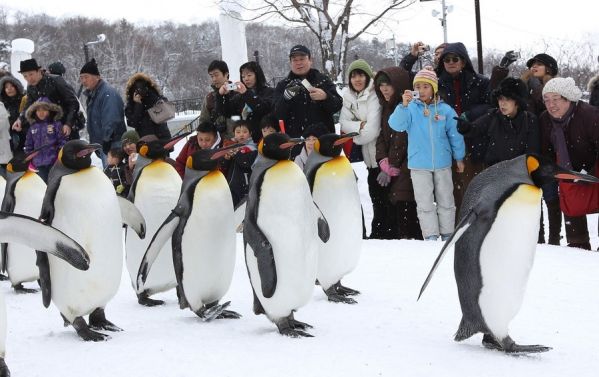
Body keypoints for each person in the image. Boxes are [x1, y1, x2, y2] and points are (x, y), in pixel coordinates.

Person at [389, 67, 465, 241]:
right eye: (418, 87)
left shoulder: (445, 110)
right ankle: (430, 235)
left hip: (443, 163)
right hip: (418, 165)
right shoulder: (409, 109)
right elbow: (396, 125)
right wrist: (403, 105)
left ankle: (447, 234)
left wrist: (459, 157)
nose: (421, 91)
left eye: (425, 86)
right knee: (424, 203)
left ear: (434, 88)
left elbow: (455, 135)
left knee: (446, 200)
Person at [540, 77, 599, 250]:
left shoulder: (590, 115)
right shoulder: (545, 120)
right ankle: (577, 243)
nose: (551, 105)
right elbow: (546, 152)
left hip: (594, 163)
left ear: (568, 98)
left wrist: (590, 172)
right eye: (547, 100)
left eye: (556, 99)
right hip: (568, 168)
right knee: (570, 202)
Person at [437, 42, 491, 217]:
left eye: (455, 58)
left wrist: (469, 114)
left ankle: (476, 227)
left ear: (463, 61)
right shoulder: (436, 84)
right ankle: (456, 231)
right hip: (447, 144)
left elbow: (492, 106)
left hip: (474, 141)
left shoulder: (481, 82)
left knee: (475, 188)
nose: (451, 62)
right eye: (447, 59)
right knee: (451, 192)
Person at [373, 67, 421, 240]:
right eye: (381, 85)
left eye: (388, 85)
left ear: (398, 86)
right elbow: (382, 137)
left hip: (408, 166)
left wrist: (393, 166)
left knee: (404, 203)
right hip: (392, 165)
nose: (384, 88)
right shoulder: (385, 107)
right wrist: (383, 160)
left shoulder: (406, 108)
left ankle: (409, 243)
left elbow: (403, 142)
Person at [274, 44, 342, 157]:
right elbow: (277, 114)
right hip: (295, 144)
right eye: (294, 60)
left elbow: (337, 105)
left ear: (310, 60)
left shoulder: (323, 80)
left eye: (302, 59)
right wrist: (285, 98)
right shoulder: (283, 85)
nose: (298, 63)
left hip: (323, 142)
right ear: (290, 63)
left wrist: (325, 97)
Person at [456, 77, 540, 167]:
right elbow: (475, 128)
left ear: (518, 102)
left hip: (519, 171)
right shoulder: (493, 115)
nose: (502, 103)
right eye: (500, 98)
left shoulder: (530, 120)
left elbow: (532, 153)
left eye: (507, 99)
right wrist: (464, 127)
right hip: (494, 170)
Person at [12, 59, 80, 141]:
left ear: (38, 71)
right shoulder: (31, 87)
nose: (29, 78)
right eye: (25, 76)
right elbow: (29, 106)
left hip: (66, 129)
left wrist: (68, 124)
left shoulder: (56, 80)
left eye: (31, 74)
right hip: (49, 131)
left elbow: (73, 103)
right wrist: (20, 119)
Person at [79, 58, 126, 167]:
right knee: (111, 174)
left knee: (115, 176)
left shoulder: (107, 93)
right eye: (81, 78)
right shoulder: (93, 95)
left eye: (86, 77)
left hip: (112, 143)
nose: (83, 81)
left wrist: (106, 140)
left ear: (97, 77)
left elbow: (111, 119)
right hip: (103, 143)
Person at [216, 61, 274, 143]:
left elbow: (262, 108)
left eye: (249, 75)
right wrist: (221, 95)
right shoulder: (239, 96)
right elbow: (226, 112)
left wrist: (246, 93)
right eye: (243, 76)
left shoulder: (269, 92)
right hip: (245, 141)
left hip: (264, 140)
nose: (246, 79)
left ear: (257, 75)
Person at [23, 97, 67, 182]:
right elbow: (28, 146)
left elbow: (62, 141)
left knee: (54, 185)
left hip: (53, 163)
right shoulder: (32, 127)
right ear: (34, 112)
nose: (41, 112)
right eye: (38, 110)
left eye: (44, 109)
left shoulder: (56, 125)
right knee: (42, 187)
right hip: (38, 164)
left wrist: (59, 157)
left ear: (50, 111)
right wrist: (29, 160)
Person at [124, 72, 172, 141]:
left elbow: (167, 112)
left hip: (162, 138)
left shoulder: (155, 96)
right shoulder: (131, 104)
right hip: (145, 140)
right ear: (133, 91)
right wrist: (138, 105)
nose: (140, 91)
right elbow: (132, 123)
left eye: (142, 88)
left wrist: (152, 97)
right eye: (137, 89)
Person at [223, 120, 258, 206]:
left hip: (244, 187)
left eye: (245, 132)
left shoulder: (252, 148)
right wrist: (226, 158)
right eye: (238, 132)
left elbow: (246, 163)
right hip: (232, 185)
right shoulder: (232, 147)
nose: (241, 134)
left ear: (250, 134)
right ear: (234, 133)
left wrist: (235, 153)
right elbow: (224, 166)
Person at [199, 60, 233, 137]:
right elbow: (204, 122)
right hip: (217, 144)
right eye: (211, 76)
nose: (214, 79)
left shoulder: (238, 93)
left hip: (239, 142)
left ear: (226, 74)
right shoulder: (209, 98)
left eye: (216, 75)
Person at [0, 74, 27, 157]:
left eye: (12, 86)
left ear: (17, 87)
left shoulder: (25, 100)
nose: (9, 89)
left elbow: (29, 116)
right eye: (6, 87)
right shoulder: (2, 103)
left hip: (24, 137)